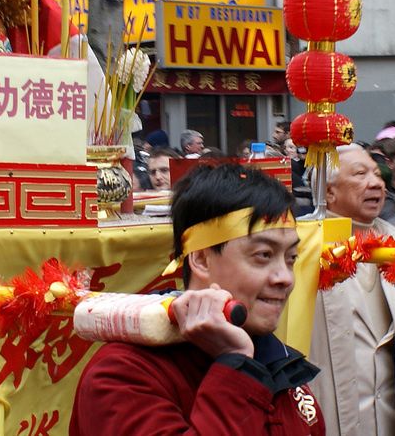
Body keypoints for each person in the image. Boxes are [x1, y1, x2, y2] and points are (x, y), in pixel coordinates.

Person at [70, 164, 324, 434]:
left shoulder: (279, 362)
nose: (284, 277)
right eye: (263, 255)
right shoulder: (122, 374)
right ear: (201, 258)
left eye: (290, 258)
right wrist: (236, 365)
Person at [310, 146, 395, 436]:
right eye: (360, 174)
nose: (376, 183)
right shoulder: (303, 245)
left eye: (377, 173)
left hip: (393, 416)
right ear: (329, 192)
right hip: (329, 411)